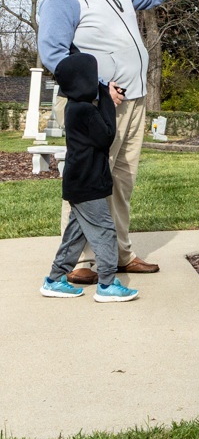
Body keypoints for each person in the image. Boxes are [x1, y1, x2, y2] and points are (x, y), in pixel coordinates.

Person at [38, 0, 199, 283]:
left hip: (134, 102)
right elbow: (55, 55)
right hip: (95, 107)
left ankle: (120, 253)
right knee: (88, 181)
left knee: (121, 181)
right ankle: (78, 261)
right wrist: (99, 88)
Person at [40, 52, 139, 303]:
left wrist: (103, 92)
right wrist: (106, 97)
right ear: (82, 81)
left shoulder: (77, 107)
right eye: (93, 77)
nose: (97, 81)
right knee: (105, 230)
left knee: (76, 233)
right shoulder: (84, 110)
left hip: (80, 182)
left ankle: (54, 280)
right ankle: (106, 284)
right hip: (87, 183)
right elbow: (106, 136)